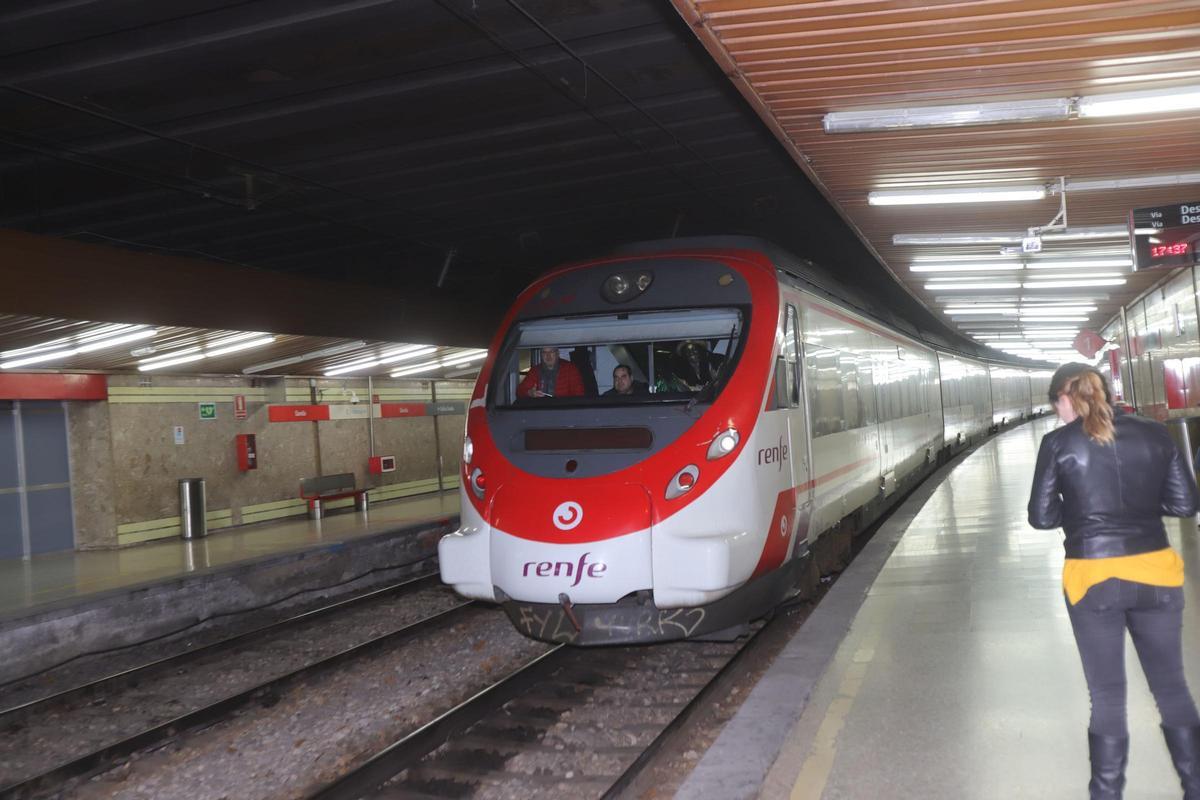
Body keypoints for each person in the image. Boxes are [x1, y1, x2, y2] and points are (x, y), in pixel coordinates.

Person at [1028, 363, 1200, 799]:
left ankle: (1106, 794)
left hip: (1092, 579)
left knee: (1106, 698)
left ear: (1064, 400)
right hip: (1157, 576)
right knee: (1173, 689)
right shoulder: (1155, 434)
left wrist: (1087, 516)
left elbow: (1042, 516)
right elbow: (1184, 504)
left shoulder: (1057, 443)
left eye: (1056, 407)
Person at [516, 346, 584, 398]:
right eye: (544, 352)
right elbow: (520, 391)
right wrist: (530, 393)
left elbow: (579, 394)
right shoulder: (535, 371)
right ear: (541, 355)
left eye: (551, 352)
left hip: (564, 410)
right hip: (541, 411)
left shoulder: (570, 369)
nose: (548, 356)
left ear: (557, 353)